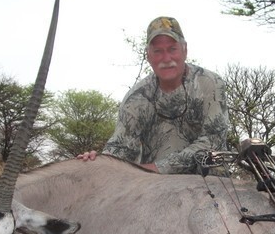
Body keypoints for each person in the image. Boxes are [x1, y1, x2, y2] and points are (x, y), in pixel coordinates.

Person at [78, 16, 229, 174]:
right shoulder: (136, 98)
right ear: (148, 55)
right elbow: (121, 147)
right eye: (158, 51)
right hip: (156, 187)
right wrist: (100, 162)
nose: (166, 58)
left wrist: (159, 168)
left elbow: (213, 141)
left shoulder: (210, 83)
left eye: (172, 49)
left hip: (208, 181)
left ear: (185, 50)